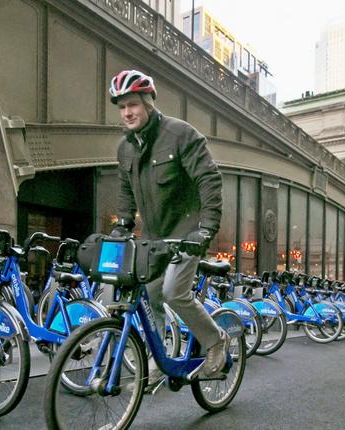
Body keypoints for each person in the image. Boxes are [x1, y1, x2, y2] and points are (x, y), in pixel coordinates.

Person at [108, 69, 228, 387]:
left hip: (186, 233)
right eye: (121, 107)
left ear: (148, 102)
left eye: (132, 104)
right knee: (148, 297)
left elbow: (209, 179)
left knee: (174, 291)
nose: (127, 112)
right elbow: (125, 192)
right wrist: (123, 225)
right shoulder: (125, 148)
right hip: (153, 238)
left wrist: (205, 228)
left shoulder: (180, 134)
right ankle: (157, 362)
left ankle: (216, 342)